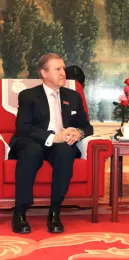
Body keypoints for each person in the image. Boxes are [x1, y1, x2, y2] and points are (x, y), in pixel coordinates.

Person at [9, 53, 93, 234]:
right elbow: (23, 128)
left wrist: (78, 133)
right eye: (58, 69)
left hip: (58, 145)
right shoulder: (28, 96)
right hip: (30, 141)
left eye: (63, 68)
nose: (63, 72)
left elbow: (87, 126)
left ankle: (54, 212)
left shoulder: (73, 96)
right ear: (44, 73)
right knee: (31, 151)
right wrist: (53, 137)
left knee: (65, 151)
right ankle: (20, 212)